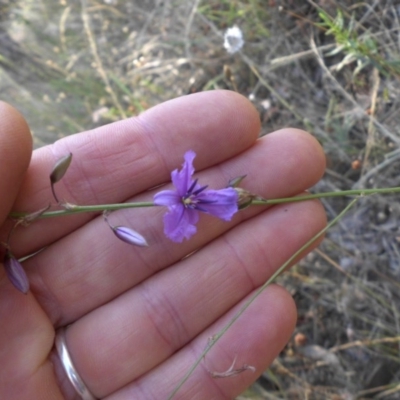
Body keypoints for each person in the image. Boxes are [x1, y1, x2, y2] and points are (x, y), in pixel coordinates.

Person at [0, 90, 326, 399]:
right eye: (183, 198)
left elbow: (177, 193)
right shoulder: (176, 196)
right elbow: (170, 195)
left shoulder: (183, 197)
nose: (186, 199)